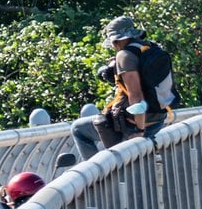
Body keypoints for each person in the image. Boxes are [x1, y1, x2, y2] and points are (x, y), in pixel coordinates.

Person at [71, 16, 178, 160]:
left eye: (114, 42)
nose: (114, 47)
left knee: (78, 129)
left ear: (118, 39)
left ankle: (97, 180)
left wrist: (140, 131)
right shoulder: (150, 48)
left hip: (136, 124)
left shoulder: (125, 55)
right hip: (158, 118)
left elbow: (136, 96)